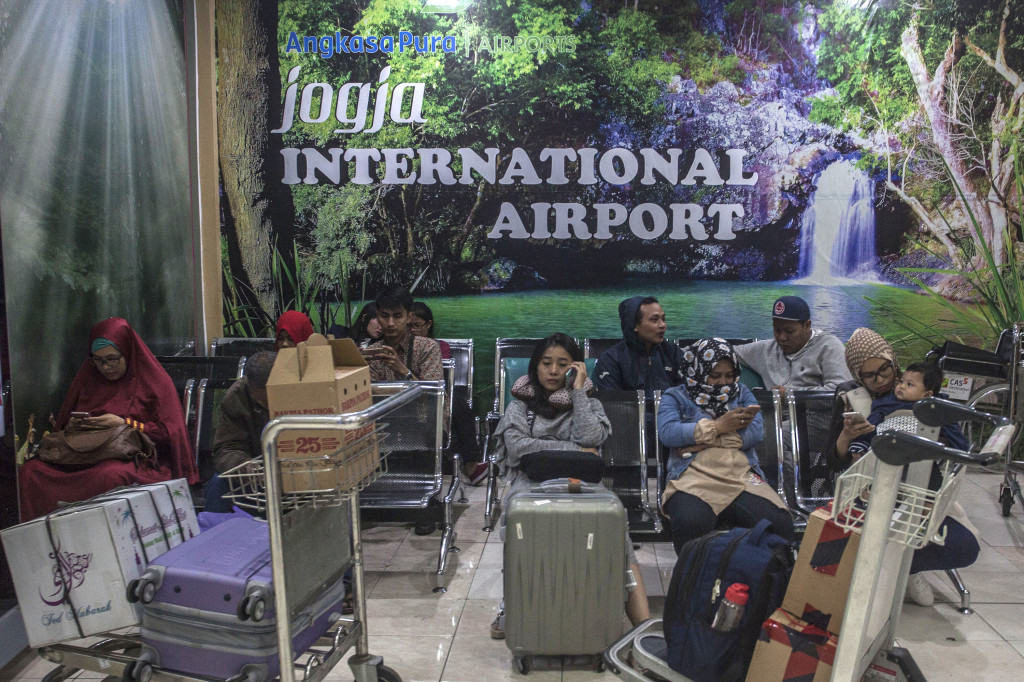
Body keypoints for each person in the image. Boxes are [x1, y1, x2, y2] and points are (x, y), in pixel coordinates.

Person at [490, 333, 650, 637]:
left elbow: (591, 438)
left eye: (562, 364)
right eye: (546, 363)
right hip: (531, 485)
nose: (552, 371)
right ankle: (511, 606)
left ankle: (643, 629)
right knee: (516, 519)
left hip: (583, 485)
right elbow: (517, 448)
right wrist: (574, 451)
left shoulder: (589, 404)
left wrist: (578, 394)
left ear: (575, 368)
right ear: (535, 367)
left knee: (618, 528)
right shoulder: (519, 406)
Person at [828, 328, 979, 607]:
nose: (883, 380)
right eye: (869, 376)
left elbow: (956, 444)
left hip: (921, 492)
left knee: (965, 546)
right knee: (874, 535)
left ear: (892, 362)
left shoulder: (926, 395)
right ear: (857, 375)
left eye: (885, 370)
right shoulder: (852, 399)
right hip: (873, 489)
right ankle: (880, 575)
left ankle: (905, 567)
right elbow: (835, 459)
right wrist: (850, 438)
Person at [18, 317, 198, 519]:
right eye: (98, 360)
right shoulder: (88, 379)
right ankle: (46, 543)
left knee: (110, 475)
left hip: (134, 458)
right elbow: (63, 426)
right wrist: (74, 426)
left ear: (128, 352)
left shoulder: (155, 381)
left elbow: (170, 435)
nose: (105, 367)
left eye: (112, 359)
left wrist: (125, 424)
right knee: (31, 472)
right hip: (84, 454)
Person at [658, 338, 794, 554]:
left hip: (741, 476)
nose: (723, 382)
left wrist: (706, 440)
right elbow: (668, 433)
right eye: (715, 376)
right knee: (690, 522)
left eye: (729, 376)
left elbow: (756, 432)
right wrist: (719, 426)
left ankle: (762, 582)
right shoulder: (675, 396)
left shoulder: (741, 393)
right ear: (698, 370)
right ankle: (694, 582)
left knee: (779, 523)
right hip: (693, 477)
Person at [409, 301, 486, 485]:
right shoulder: (400, 349)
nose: (412, 330)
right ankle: (469, 466)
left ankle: (471, 465)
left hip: (437, 392)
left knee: (457, 404)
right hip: (410, 395)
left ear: (428, 324)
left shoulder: (438, 346)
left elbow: (437, 376)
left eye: (417, 325)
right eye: (408, 326)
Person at [733, 296, 852, 395]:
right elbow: (725, 350)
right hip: (772, 420)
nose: (782, 338)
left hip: (814, 421)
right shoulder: (765, 350)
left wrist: (792, 395)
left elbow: (842, 392)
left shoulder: (828, 347)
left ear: (807, 326)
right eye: (777, 330)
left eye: (789, 331)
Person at [203, 351, 276, 513]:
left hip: (295, 470)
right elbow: (226, 448)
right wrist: (245, 465)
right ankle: (216, 533)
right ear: (249, 386)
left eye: (274, 398)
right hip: (256, 477)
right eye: (263, 401)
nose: (269, 405)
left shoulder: (299, 391)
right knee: (219, 483)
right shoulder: (237, 397)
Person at [593, 296, 684, 402]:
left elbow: (687, 395)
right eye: (654, 320)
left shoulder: (672, 352)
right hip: (629, 417)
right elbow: (614, 405)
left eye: (663, 319)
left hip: (671, 416)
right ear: (634, 325)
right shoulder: (611, 359)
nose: (663, 325)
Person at [361, 287, 442, 384]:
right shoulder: (373, 352)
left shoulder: (427, 347)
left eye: (397, 316)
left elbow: (434, 395)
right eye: (385, 316)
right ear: (378, 317)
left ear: (408, 317)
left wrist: (402, 370)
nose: (390, 323)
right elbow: (370, 394)